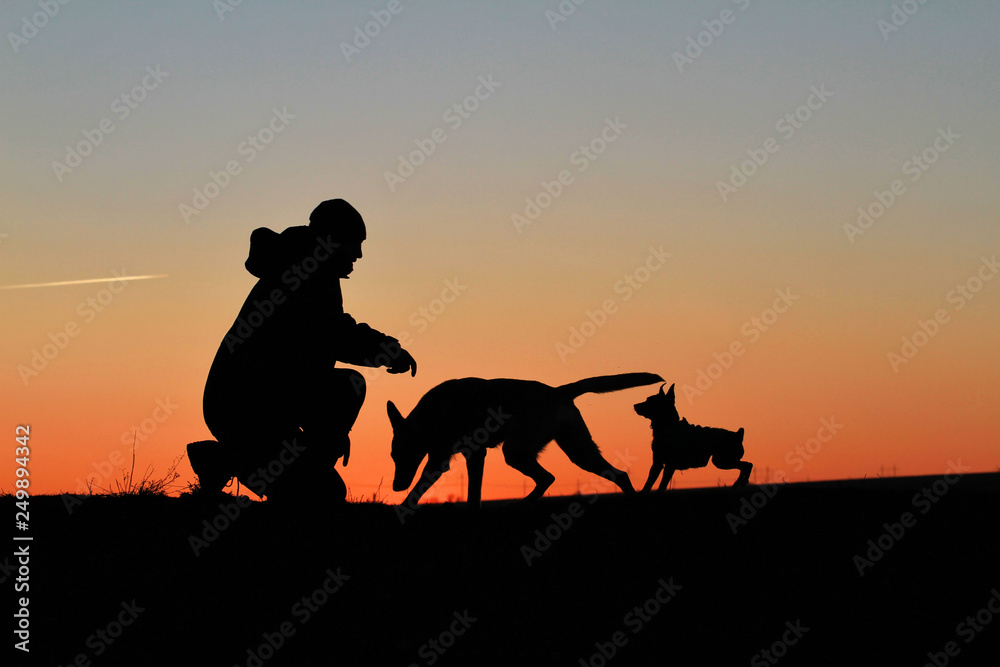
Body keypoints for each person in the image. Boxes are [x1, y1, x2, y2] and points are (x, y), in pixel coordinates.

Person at [190, 199, 417, 503]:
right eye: (355, 243)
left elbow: (327, 335)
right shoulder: (303, 273)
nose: (359, 254)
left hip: (258, 402)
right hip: (246, 407)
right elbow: (334, 333)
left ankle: (250, 462)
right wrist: (387, 351)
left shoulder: (305, 267)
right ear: (334, 240)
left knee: (321, 489)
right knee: (346, 395)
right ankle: (225, 459)